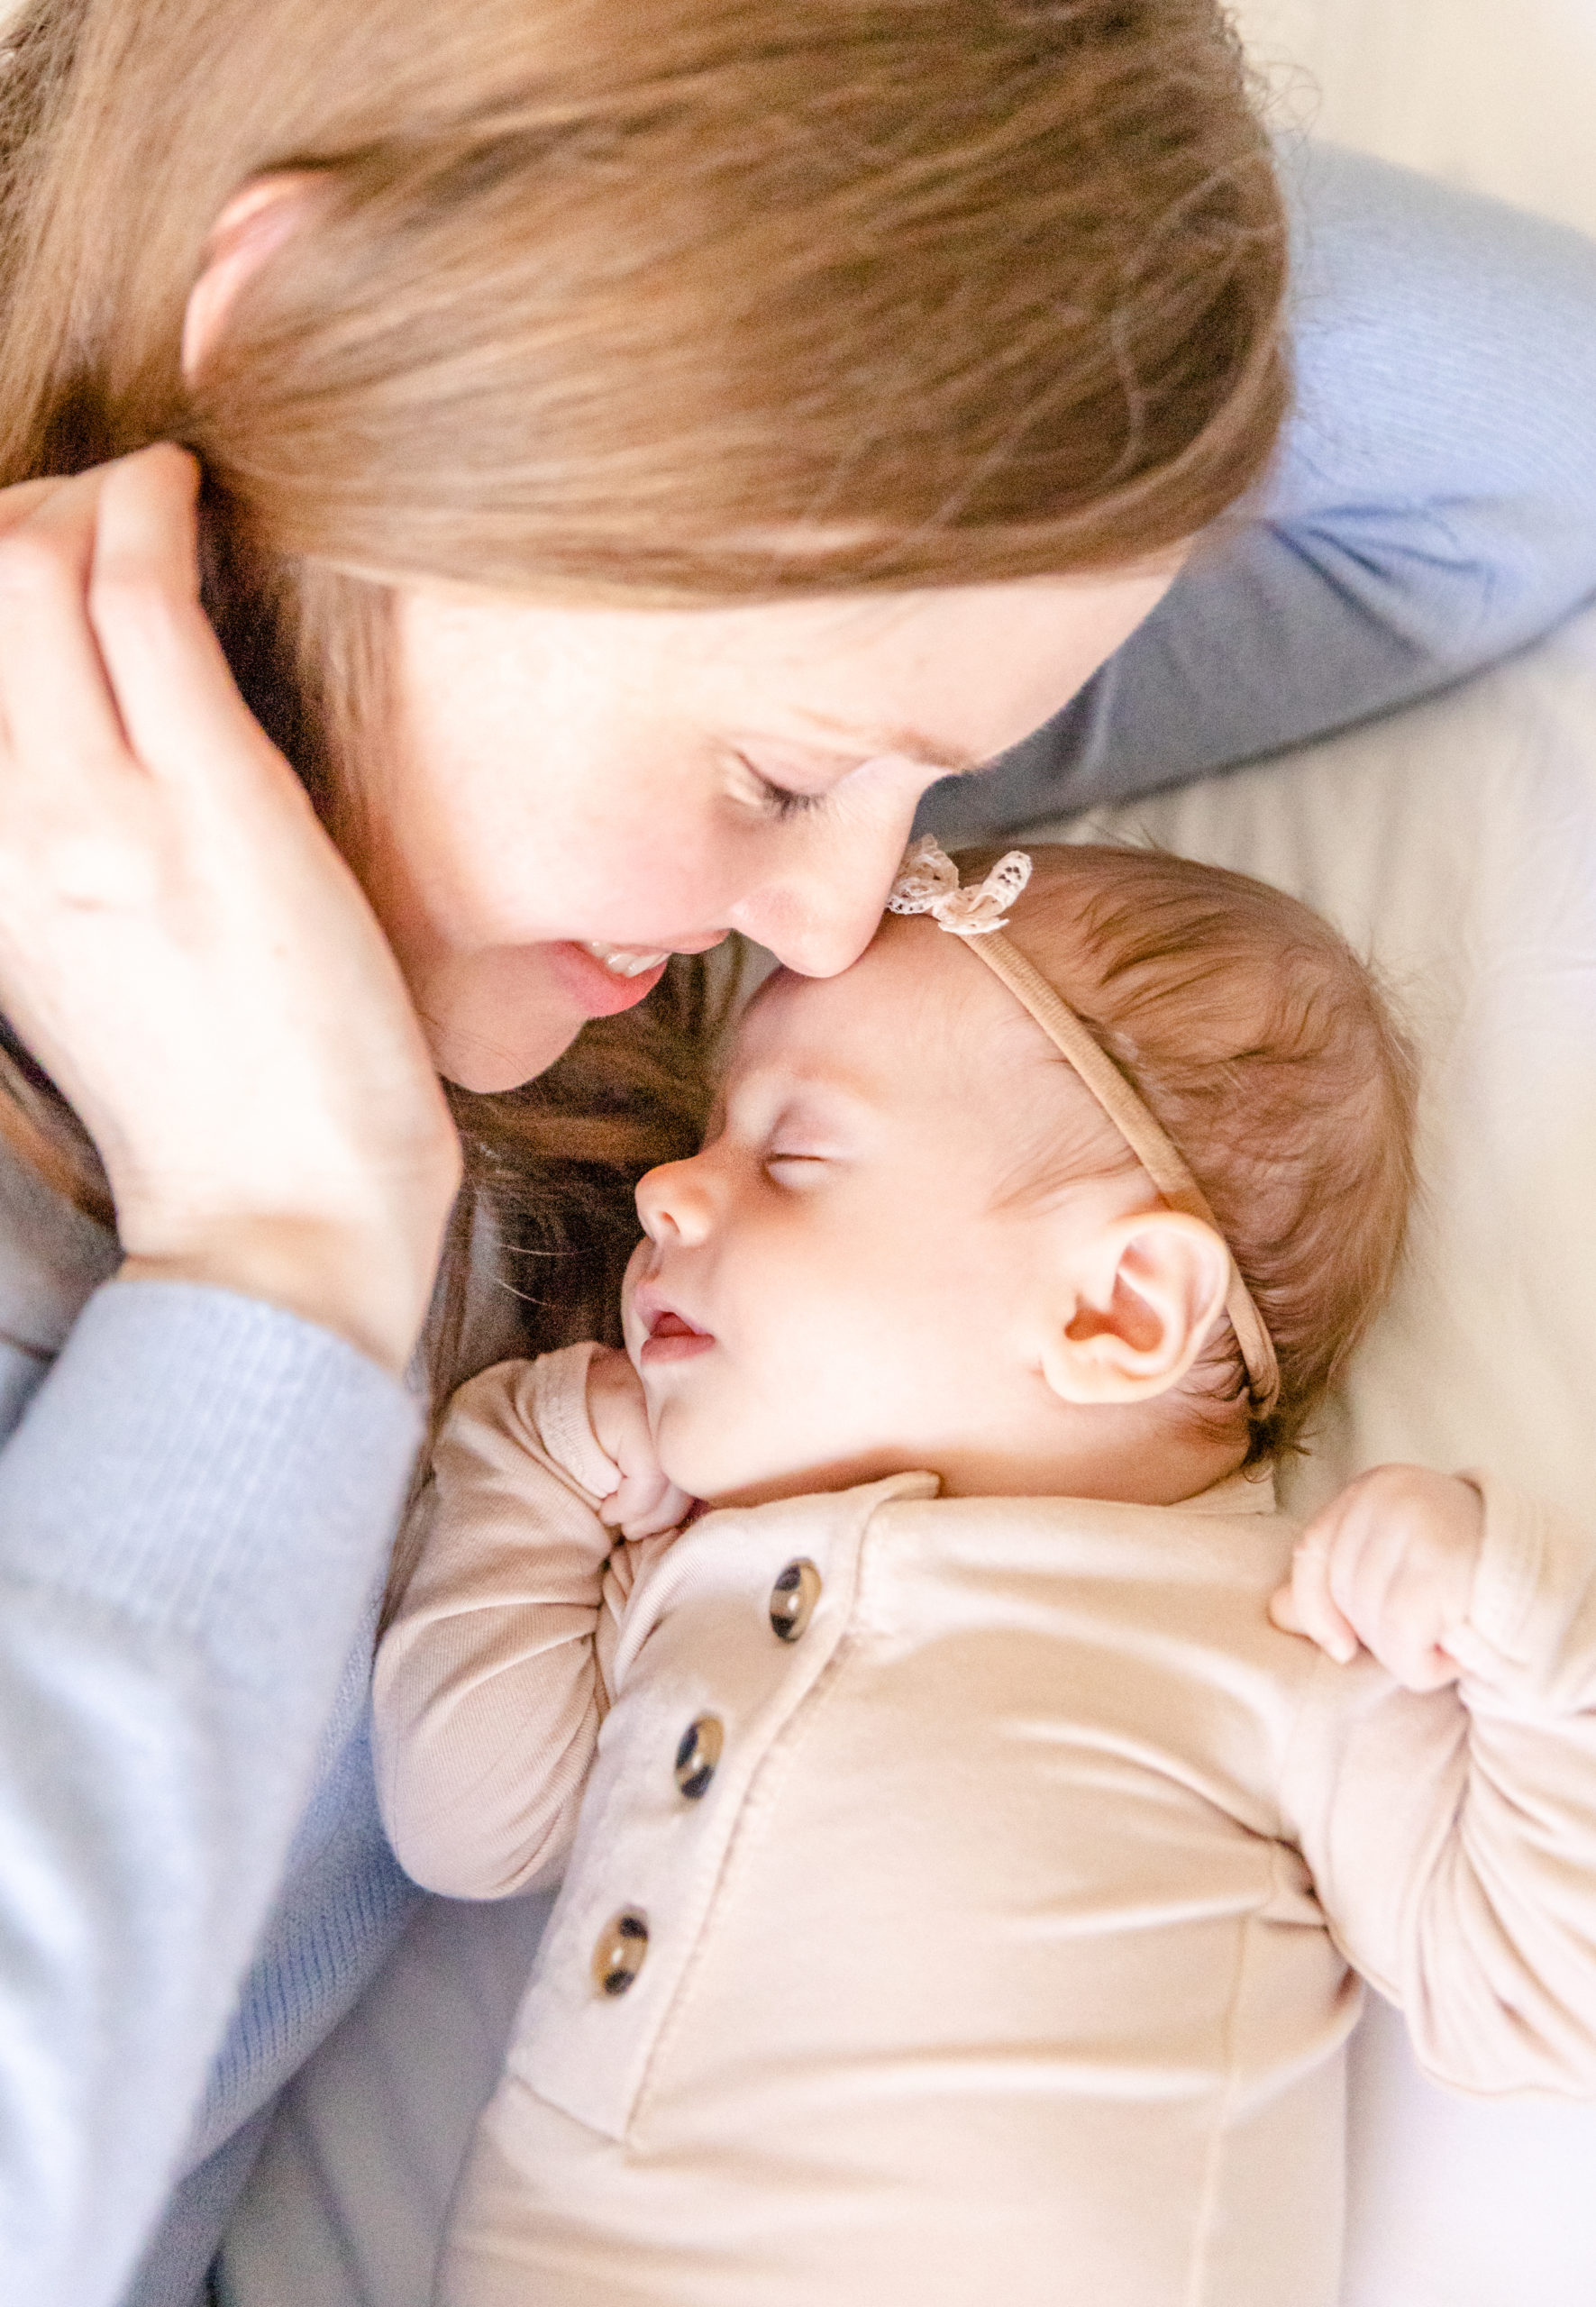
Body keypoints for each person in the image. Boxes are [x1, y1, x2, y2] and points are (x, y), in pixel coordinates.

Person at [0, 2, 1591, 2302]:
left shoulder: (603, 929)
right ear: (323, 364)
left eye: (924, 776)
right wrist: (280, 1245)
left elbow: (1531, 442)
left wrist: (948, 192)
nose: (839, 917)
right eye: (775, 770)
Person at [373, 839, 1596, 2307]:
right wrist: (533, 1461)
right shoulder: (687, 1578)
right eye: (709, 1140)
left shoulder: (1278, 1643)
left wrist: (1522, 1627)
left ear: (1117, 1308)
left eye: (795, 1157)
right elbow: (467, 1824)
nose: (669, 1196)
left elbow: (1539, 1987)